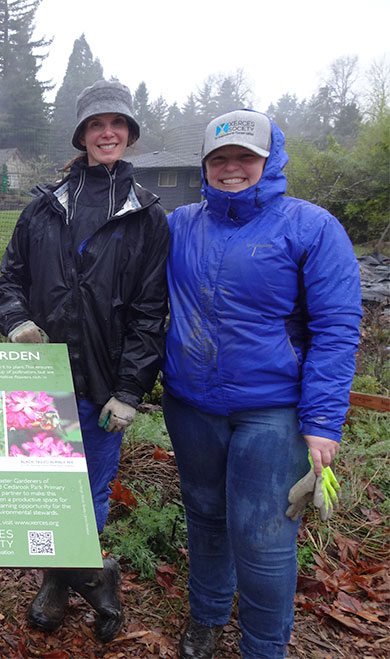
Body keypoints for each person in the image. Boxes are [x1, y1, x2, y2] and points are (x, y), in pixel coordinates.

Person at [163, 109, 361, 659]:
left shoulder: (311, 227)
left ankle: (264, 646)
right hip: (190, 404)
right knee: (204, 517)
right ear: (204, 165)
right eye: (219, 159)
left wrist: (323, 422)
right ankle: (206, 615)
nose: (232, 169)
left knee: (264, 539)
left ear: (270, 160)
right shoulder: (181, 224)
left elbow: (337, 330)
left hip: (272, 411)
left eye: (245, 158)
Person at [0, 79, 171, 643]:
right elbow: (10, 279)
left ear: (130, 135)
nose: (107, 132)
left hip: (102, 384)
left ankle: (69, 576)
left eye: (117, 124)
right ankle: (78, 578)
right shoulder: (42, 211)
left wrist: (130, 389)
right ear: (82, 135)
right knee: (44, 485)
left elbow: (150, 313)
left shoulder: (146, 218)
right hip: (41, 380)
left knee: (89, 491)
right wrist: (17, 320)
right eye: (97, 124)